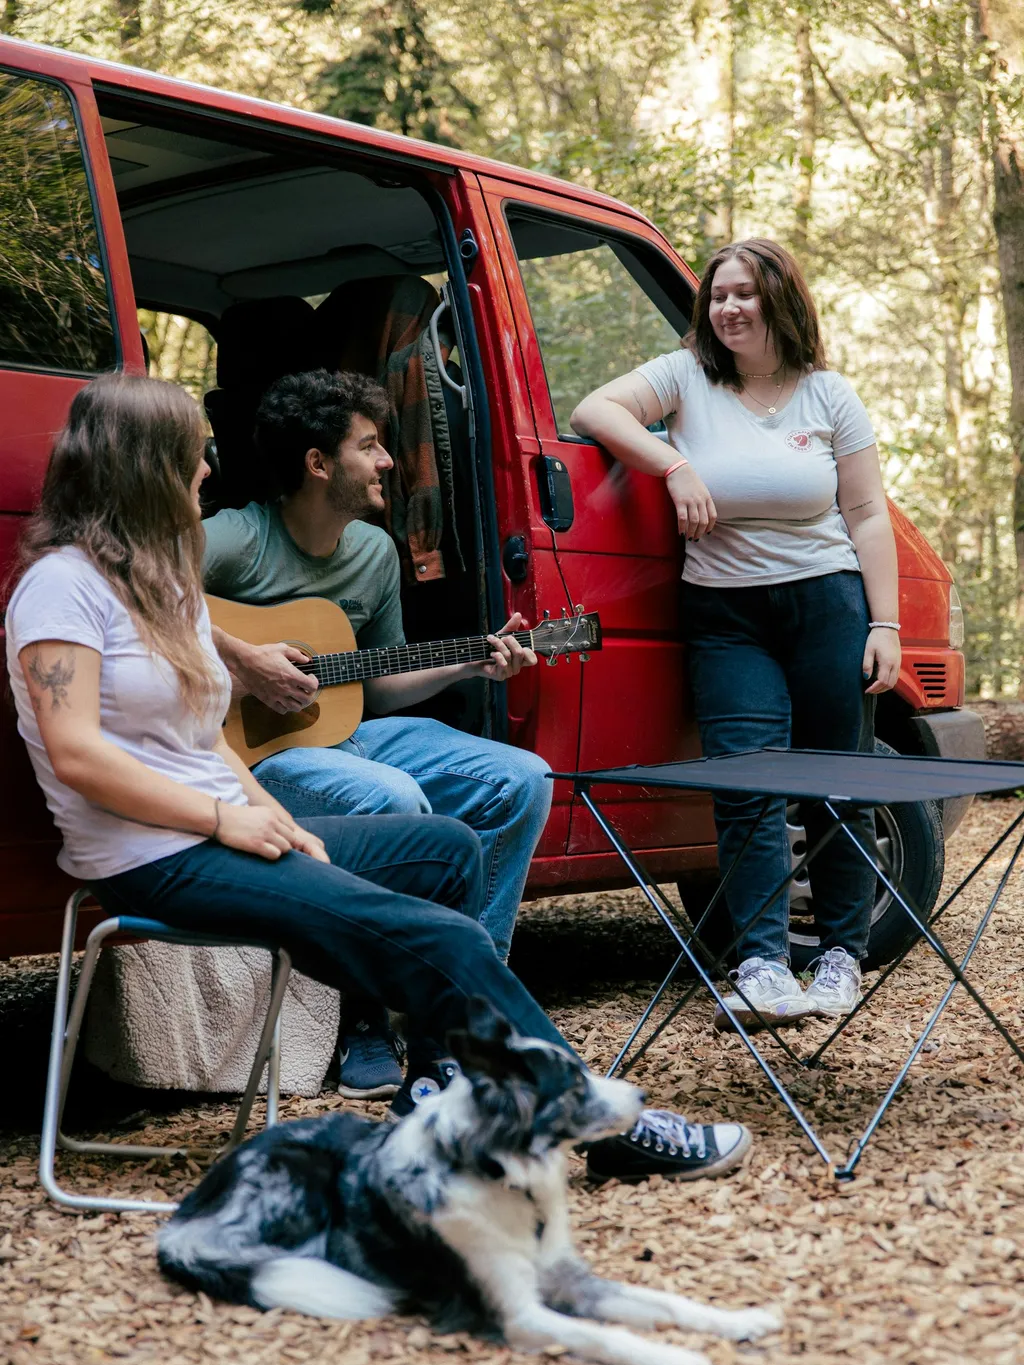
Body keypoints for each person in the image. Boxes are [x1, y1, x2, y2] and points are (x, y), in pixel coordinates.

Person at [5, 372, 752, 1184]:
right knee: (445, 939)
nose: (207, 472)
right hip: (154, 860)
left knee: (451, 850)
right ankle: (601, 1123)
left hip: (227, 831)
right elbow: (77, 754)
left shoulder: (162, 582)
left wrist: (265, 813)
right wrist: (226, 824)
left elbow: (199, 739)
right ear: (140, 466)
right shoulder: (61, 589)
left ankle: (434, 1090)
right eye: (193, 456)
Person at [571, 238, 899, 1027]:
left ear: (781, 300)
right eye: (718, 295)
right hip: (726, 612)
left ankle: (841, 958)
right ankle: (760, 962)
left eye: (745, 293)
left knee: (837, 783)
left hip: (827, 602)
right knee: (746, 786)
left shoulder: (829, 395)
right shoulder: (686, 377)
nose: (729, 308)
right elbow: (595, 410)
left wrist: (885, 620)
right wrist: (673, 465)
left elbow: (866, 513)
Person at [202, 368, 551, 1099]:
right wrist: (245, 660)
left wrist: (469, 665)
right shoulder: (238, 538)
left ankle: (470, 1003)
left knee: (523, 778)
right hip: (254, 754)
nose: (390, 461)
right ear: (318, 463)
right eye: (370, 445)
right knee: (394, 799)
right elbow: (136, 587)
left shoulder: (373, 552)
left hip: (354, 733)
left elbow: (373, 684)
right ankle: (366, 1016)